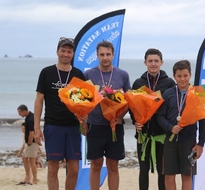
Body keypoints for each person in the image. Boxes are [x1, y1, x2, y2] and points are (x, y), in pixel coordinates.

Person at [33, 37, 86, 190]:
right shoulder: (46, 72)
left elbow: (84, 102)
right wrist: (36, 128)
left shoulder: (78, 74)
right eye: (63, 51)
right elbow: (39, 100)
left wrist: (84, 118)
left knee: (74, 169)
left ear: (73, 54)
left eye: (69, 51)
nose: (65, 54)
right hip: (53, 125)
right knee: (53, 168)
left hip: (72, 127)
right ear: (57, 52)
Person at [83, 40, 131, 190]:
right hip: (95, 125)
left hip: (115, 126)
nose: (105, 57)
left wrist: (120, 116)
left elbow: (129, 100)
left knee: (113, 165)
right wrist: (83, 121)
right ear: (97, 55)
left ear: (113, 55)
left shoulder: (122, 75)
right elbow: (83, 100)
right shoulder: (88, 74)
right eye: (102, 54)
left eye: (108, 54)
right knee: (95, 165)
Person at [156, 60, 205, 190]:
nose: (182, 79)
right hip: (170, 141)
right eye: (179, 76)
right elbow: (160, 116)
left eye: (185, 75)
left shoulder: (197, 94)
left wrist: (201, 143)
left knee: (187, 175)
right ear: (174, 76)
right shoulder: (168, 93)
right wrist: (170, 127)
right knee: (168, 175)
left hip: (188, 141)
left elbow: (203, 121)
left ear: (190, 75)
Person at [130, 48, 175, 190]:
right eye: (150, 61)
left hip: (163, 135)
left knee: (163, 172)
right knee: (143, 171)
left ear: (162, 62)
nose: (153, 64)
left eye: (156, 61)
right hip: (143, 136)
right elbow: (132, 107)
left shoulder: (169, 83)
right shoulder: (138, 83)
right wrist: (135, 122)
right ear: (145, 62)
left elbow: (173, 108)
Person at [17, 104, 38, 185]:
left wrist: (29, 142)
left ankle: (34, 179)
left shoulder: (30, 119)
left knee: (32, 161)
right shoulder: (29, 117)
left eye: (20, 113)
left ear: (24, 111)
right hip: (30, 143)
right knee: (25, 159)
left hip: (32, 142)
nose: (19, 114)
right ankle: (28, 177)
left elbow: (31, 132)